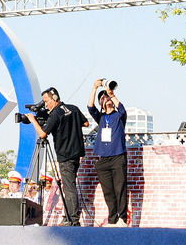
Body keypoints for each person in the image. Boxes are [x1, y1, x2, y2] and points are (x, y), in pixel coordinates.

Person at [22, 89, 86, 225]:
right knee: (70, 185)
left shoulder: (56, 114)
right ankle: (71, 217)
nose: (46, 105)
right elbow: (85, 123)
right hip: (77, 154)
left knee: (69, 187)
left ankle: (72, 219)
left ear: (54, 98)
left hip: (65, 156)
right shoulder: (73, 108)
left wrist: (33, 120)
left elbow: (43, 134)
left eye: (47, 101)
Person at [86, 80, 129, 225]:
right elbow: (90, 106)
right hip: (103, 159)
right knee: (108, 191)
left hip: (118, 157)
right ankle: (113, 217)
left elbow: (122, 109)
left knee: (120, 188)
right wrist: (94, 87)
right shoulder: (101, 118)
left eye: (107, 98)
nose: (106, 100)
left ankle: (122, 218)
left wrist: (112, 94)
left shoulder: (118, 116)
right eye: (103, 98)